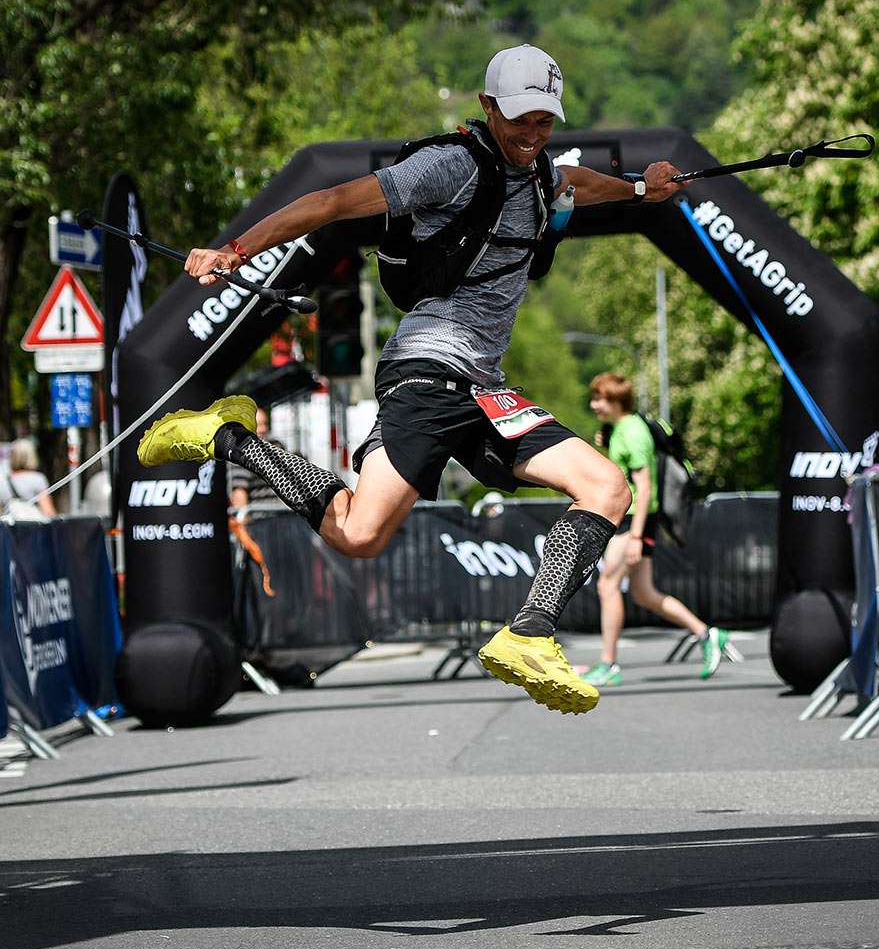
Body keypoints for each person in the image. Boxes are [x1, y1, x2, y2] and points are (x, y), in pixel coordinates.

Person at [137, 43, 690, 715]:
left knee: (606, 486)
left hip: (484, 387)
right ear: (488, 108)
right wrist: (235, 249)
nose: (531, 134)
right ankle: (229, 437)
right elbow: (333, 200)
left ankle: (529, 634)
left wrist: (641, 189)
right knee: (359, 536)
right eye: (519, 119)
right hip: (426, 371)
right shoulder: (449, 166)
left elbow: (582, 183)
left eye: (544, 121)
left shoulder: (547, 175)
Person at [583, 372, 729, 684]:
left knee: (607, 586)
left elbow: (645, 489)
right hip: (631, 518)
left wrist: (636, 537)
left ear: (616, 401)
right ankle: (708, 634)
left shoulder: (633, 432)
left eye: (599, 399)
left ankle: (608, 665)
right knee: (644, 593)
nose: (594, 404)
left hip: (634, 519)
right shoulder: (620, 429)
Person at [228, 408, 280, 516]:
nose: (262, 429)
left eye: (264, 424)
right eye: (257, 425)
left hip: (280, 522)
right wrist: (243, 526)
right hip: (257, 523)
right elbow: (239, 496)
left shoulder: (275, 450)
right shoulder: (240, 456)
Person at [0, 438, 58, 519]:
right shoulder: (38, 479)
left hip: (9, 529)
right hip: (32, 529)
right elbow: (48, 511)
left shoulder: (2, 480)